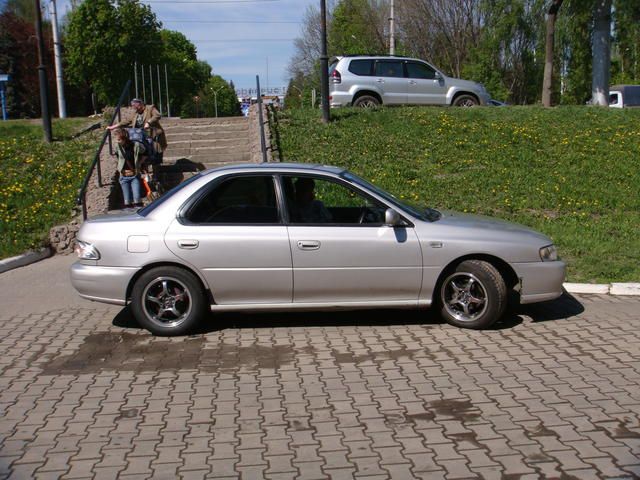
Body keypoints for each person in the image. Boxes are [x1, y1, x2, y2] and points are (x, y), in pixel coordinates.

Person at [113, 128, 146, 208]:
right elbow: (118, 157)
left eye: (119, 140)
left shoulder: (135, 146)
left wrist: (139, 163)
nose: (117, 142)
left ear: (125, 139)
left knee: (137, 198)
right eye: (116, 139)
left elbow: (145, 153)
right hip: (123, 176)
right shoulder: (117, 146)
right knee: (127, 201)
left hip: (134, 175)